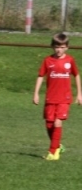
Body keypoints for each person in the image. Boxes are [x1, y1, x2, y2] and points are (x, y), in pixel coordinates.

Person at [33, 32, 82, 160]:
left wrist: (79, 94)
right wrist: (36, 93)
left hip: (64, 98)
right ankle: (58, 146)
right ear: (52, 46)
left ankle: (53, 152)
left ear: (67, 47)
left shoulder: (70, 60)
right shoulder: (47, 61)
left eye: (62, 47)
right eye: (56, 47)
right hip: (50, 97)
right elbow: (40, 76)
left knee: (57, 122)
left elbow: (76, 75)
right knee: (49, 124)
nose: (59, 50)